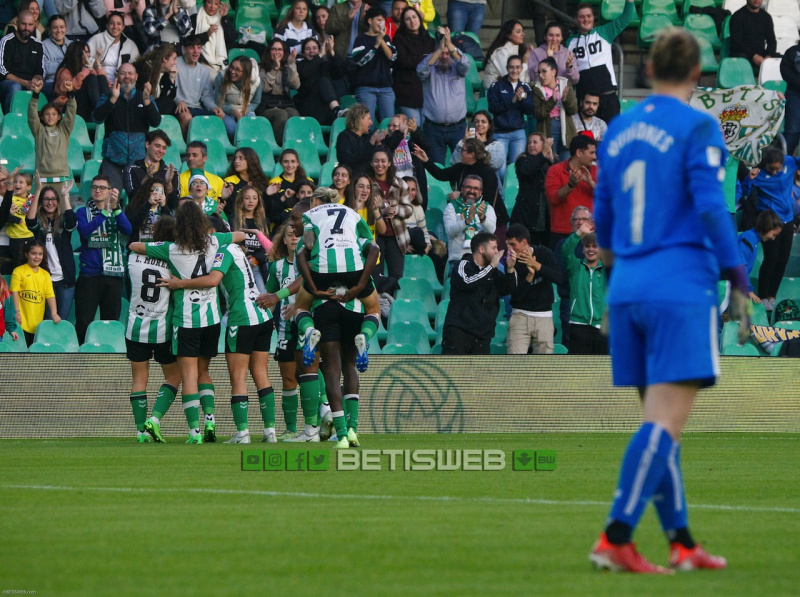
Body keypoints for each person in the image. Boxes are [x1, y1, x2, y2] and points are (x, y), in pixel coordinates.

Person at [589, 28, 745, 573]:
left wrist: (612, 290)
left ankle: (681, 542)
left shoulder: (621, 127)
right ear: (699, 74)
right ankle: (615, 535)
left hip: (628, 285)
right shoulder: (699, 125)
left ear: (647, 70)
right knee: (663, 425)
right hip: (680, 287)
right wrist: (740, 280)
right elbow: (710, 207)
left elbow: (603, 214)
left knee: (659, 429)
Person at [130, 201, 246, 444]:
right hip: (212, 319)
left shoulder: (172, 249)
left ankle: (194, 433)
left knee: (189, 376)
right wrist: (214, 234)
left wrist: (154, 244)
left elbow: (134, 245)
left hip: (185, 321)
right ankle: (210, 420)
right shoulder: (214, 242)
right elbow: (241, 235)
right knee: (204, 372)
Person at [159, 220, 276, 445]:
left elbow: (213, 280)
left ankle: (242, 433)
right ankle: (270, 431)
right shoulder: (238, 249)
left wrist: (181, 283)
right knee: (261, 374)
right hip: (262, 314)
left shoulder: (222, 251)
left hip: (241, 318)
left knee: (238, 377)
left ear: (212, 232)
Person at [294, 187, 381, 447]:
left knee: (331, 372)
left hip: (324, 294)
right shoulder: (354, 214)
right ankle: (353, 430)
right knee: (352, 362)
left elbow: (303, 250)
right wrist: (358, 286)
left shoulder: (312, 216)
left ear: (316, 201)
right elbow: (374, 248)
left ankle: (341, 434)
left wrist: (314, 287)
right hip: (354, 284)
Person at [125, 216, 181, 443]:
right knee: (175, 375)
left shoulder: (133, 257)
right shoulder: (174, 261)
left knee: (139, 378)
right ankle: (155, 418)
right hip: (162, 330)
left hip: (135, 327)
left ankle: (140, 431)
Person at [414, 139, 507, 247]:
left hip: (493, 220)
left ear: (471, 154)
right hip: (470, 218)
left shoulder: (487, 173)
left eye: (463, 150)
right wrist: (426, 160)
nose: (460, 152)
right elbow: (441, 174)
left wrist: (462, 194)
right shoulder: (462, 168)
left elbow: (487, 198)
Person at [75, 175, 132, 344]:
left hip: (113, 274)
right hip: (89, 275)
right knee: (84, 321)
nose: (98, 191)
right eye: (94, 187)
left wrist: (114, 209)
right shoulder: (82, 211)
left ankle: (108, 356)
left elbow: (127, 230)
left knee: (110, 321)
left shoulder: (117, 211)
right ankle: (80, 357)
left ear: (110, 191)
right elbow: (85, 233)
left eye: (102, 188)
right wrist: (103, 214)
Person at [740, 147, 800, 310]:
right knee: (771, 258)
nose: (774, 172)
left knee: (783, 259)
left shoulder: (789, 161)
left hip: (787, 220)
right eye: (771, 169)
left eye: (777, 169)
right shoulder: (758, 174)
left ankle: (771, 296)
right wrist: (749, 178)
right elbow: (745, 191)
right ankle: (762, 294)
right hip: (769, 221)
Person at [442, 231, 515, 354]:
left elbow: (508, 289)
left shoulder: (493, 271)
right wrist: (491, 267)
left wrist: (510, 269)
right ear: (481, 249)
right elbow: (468, 282)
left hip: (483, 334)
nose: (497, 252)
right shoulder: (463, 265)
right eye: (494, 248)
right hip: (459, 331)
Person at [92, 62, 160, 192]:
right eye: (123, 73)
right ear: (117, 75)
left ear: (136, 76)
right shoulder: (108, 95)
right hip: (112, 161)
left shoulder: (145, 96)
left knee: (138, 200)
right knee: (110, 199)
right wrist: (112, 99)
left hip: (138, 162)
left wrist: (146, 102)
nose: (127, 76)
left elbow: (155, 122)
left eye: (130, 73)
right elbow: (97, 118)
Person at [567, 0, 637, 123]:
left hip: (607, 95)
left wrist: (630, 2)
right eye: (581, 17)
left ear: (594, 18)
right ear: (576, 19)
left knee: (611, 136)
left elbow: (626, 18)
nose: (586, 20)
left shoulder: (604, 32)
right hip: (585, 99)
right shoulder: (570, 42)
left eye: (589, 16)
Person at [25, 178, 77, 321]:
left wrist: (65, 196)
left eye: (54, 199)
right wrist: (37, 191)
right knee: (48, 320)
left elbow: (72, 222)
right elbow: (30, 221)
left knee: (63, 320)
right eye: (46, 199)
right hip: (45, 279)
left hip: (64, 279)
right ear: (41, 202)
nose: (50, 202)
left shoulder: (63, 220)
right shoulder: (39, 222)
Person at [505, 223, 561, 354]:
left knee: (542, 369)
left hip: (544, 317)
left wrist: (535, 265)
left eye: (513, 244)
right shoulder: (511, 262)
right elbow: (515, 295)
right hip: (519, 316)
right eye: (508, 245)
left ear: (524, 242)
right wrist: (527, 275)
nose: (510, 249)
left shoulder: (543, 253)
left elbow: (559, 278)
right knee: (514, 366)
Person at [417, 28, 468, 166]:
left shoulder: (458, 68)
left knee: (462, 165)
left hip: (458, 127)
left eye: (448, 53)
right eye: (442, 53)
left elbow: (465, 63)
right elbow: (420, 71)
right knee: (435, 166)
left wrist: (450, 45)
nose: (445, 56)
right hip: (433, 129)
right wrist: (438, 50)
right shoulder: (429, 69)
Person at [367, 145, 413, 280]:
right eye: (376, 161)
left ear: (389, 163)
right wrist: (382, 211)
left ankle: (394, 300)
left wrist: (396, 210)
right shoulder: (367, 184)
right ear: (371, 163)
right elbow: (361, 209)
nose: (379, 164)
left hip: (396, 236)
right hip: (375, 236)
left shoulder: (400, 184)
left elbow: (409, 209)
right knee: (376, 275)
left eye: (383, 161)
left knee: (397, 275)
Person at [545, 133, 597, 249]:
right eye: (591, 153)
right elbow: (553, 198)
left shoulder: (597, 171)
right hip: (562, 233)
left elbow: (609, 197)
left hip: (591, 234)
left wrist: (591, 183)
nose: (595, 157)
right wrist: (570, 185)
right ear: (579, 153)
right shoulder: (555, 171)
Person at [561, 225, 607, 354]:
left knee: (599, 371)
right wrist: (579, 233)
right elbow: (566, 251)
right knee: (579, 371)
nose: (591, 249)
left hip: (601, 327)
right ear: (583, 249)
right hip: (579, 326)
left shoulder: (606, 271)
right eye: (587, 246)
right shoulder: (575, 267)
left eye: (594, 246)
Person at [350, 6, 397, 129]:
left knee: (389, 125)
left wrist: (381, 40)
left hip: (386, 87)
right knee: (366, 125)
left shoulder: (386, 38)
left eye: (383, 20)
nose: (381, 23)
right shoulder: (360, 39)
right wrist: (375, 45)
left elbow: (392, 57)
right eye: (378, 20)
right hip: (366, 87)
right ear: (370, 21)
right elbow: (359, 61)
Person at [28, 78, 76, 197]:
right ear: (42, 117)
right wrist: (35, 95)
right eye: (47, 114)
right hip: (42, 177)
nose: (50, 117)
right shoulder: (39, 131)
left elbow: (71, 113)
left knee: (61, 210)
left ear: (59, 117)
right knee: (41, 209)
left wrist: (70, 95)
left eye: (54, 114)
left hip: (61, 176)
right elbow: (32, 116)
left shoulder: (64, 130)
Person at [440, 174, 496, 269]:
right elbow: (450, 231)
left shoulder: (487, 208)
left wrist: (482, 217)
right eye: (468, 187)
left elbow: (491, 231)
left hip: (481, 261)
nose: (472, 191)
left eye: (476, 188)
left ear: (480, 192)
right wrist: (467, 221)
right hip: (458, 260)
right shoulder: (452, 206)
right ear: (462, 189)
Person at [11, 238, 60, 346]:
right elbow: (14, 292)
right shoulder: (18, 271)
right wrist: (17, 312)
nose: (37, 257)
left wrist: (54, 313)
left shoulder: (45, 274)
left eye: (40, 254)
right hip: (21, 322)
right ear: (26, 254)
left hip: (37, 324)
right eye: (34, 253)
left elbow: (50, 295)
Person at [487, 55, 535, 165]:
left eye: (518, 67)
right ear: (507, 68)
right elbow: (492, 107)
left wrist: (522, 100)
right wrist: (511, 100)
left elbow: (529, 110)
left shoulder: (525, 87)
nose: (514, 71)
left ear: (521, 69)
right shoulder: (497, 85)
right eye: (511, 67)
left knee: (516, 168)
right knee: (499, 168)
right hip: (500, 133)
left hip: (518, 133)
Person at [392, 6, 434, 127]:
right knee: (416, 126)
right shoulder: (399, 39)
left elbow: (434, 60)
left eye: (414, 17)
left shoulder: (429, 39)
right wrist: (426, 58)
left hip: (425, 92)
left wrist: (421, 58)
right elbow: (404, 61)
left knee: (425, 126)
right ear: (404, 23)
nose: (412, 21)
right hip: (406, 93)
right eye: (408, 19)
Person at [175, 34, 223, 136]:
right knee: (186, 117)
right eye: (192, 48)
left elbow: (207, 96)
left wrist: (214, 107)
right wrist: (178, 100)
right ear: (184, 49)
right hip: (179, 107)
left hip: (196, 107)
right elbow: (170, 90)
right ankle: (185, 148)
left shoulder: (203, 71)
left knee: (219, 117)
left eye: (198, 48)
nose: (196, 51)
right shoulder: (175, 64)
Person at [512, 132, 555, 246]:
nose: (531, 145)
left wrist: (551, 161)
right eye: (529, 142)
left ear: (543, 144)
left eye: (535, 142)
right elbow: (527, 171)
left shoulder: (549, 161)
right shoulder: (522, 160)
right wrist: (543, 155)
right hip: (526, 212)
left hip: (545, 211)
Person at [531, 56, 577, 159]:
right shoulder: (537, 89)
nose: (541, 76)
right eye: (539, 72)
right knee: (550, 160)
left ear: (553, 71)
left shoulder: (565, 84)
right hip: (548, 126)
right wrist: (552, 101)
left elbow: (573, 110)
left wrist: (566, 100)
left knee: (566, 160)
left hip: (565, 127)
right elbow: (538, 114)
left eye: (544, 72)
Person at [336, 103, 401, 176]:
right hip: (351, 179)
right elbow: (347, 160)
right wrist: (370, 145)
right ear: (360, 119)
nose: (371, 122)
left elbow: (390, 147)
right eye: (369, 119)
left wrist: (400, 132)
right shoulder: (344, 137)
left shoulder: (368, 137)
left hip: (368, 181)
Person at [257, 38, 300, 145]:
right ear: (269, 51)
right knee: (281, 114)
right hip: (267, 105)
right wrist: (274, 69)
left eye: (280, 50)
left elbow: (295, 85)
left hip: (284, 103)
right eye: (274, 49)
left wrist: (291, 64)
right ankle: (278, 145)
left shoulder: (286, 67)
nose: (277, 52)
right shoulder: (261, 68)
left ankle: (294, 145)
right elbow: (264, 88)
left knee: (294, 113)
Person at [0, 10, 44, 113]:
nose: (27, 28)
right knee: (15, 87)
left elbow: (41, 70)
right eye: (23, 24)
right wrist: (25, 83)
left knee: (52, 88)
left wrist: (36, 79)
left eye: (30, 24)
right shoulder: (7, 41)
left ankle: (47, 124)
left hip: (30, 83)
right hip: (8, 83)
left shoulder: (38, 44)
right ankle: (11, 121)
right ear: (17, 23)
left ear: (35, 25)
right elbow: (2, 71)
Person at [124, 129, 180, 209]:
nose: (161, 151)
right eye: (157, 146)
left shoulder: (172, 172)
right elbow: (133, 199)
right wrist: (147, 177)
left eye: (164, 148)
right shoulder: (131, 169)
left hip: (164, 219)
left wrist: (168, 183)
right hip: (140, 218)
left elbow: (174, 205)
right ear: (147, 144)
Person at [294, 36, 344, 126]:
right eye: (308, 49)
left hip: (326, 108)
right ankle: (336, 109)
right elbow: (305, 73)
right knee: (323, 81)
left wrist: (332, 51)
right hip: (309, 106)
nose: (312, 51)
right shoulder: (300, 65)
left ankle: (336, 111)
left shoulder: (324, 65)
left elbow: (340, 72)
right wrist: (320, 55)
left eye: (314, 48)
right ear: (303, 53)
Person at [53, 41, 108, 120]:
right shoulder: (64, 71)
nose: (88, 55)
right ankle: (100, 109)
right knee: (91, 78)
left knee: (97, 78)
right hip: (68, 108)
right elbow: (71, 87)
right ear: (77, 54)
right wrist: (86, 67)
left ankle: (104, 109)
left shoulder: (87, 70)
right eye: (85, 52)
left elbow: (106, 85)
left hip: (86, 108)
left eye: (88, 52)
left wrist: (98, 66)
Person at [230, 184, 270, 293]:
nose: (251, 201)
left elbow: (267, 248)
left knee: (263, 294)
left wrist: (255, 259)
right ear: (241, 200)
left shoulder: (263, 221)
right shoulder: (233, 219)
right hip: (239, 263)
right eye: (247, 198)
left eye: (254, 198)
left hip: (258, 265)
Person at [738, 209, 783, 303]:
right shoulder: (748, 239)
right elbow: (740, 266)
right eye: (774, 234)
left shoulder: (753, 239)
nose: (773, 238)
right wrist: (749, 290)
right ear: (767, 227)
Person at [215, 56, 261, 143]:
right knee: (232, 129)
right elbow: (218, 102)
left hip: (246, 108)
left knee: (251, 128)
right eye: (231, 67)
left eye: (237, 70)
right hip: (226, 109)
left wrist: (245, 111)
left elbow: (256, 102)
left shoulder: (256, 81)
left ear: (245, 72)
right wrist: (233, 111)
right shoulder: (221, 77)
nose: (232, 71)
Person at [451, 110, 506, 181]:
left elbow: (496, 164)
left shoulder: (496, 145)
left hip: (489, 182)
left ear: (489, 125)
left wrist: (482, 146)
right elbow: (454, 162)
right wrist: (464, 142)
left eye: (483, 122)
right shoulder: (464, 144)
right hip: (468, 183)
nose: (479, 124)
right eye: (476, 122)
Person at [86, 12, 140, 84]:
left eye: (119, 24)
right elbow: (84, 57)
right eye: (112, 23)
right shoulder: (96, 39)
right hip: (98, 80)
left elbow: (136, 64)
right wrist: (94, 63)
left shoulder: (130, 45)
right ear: (107, 26)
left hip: (122, 83)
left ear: (123, 27)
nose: (115, 27)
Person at [729, 0, 776, 74]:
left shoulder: (766, 17)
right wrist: (753, 56)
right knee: (742, 59)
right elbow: (736, 42)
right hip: (743, 54)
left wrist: (768, 57)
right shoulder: (737, 16)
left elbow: (772, 41)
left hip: (761, 55)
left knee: (785, 60)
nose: (757, 0)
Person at [483, 20, 530, 91]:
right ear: (508, 35)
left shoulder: (517, 50)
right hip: (496, 93)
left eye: (522, 31)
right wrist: (525, 61)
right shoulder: (502, 52)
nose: (523, 34)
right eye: (518, 32)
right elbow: (511, 76)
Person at [222, 147, 270, 214]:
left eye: (241, 158)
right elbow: (229, 209)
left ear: (250, 160)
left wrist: (269, 195)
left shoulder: (261, 182)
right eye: (235, 158)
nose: (236, 161)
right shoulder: (229, 182)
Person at [136, 43, 178, 117]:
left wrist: (172, 79)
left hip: (153, 108)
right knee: (168, 103)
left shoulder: (165, 74)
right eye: (174, 59)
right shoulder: (144, 68)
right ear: (165, 58)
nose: (175, 63)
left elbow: (170, 97)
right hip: (141, 107)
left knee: (169, 103)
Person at [125, 177, 172, 242]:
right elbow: (132, 226)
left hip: (157, 248)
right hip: (138, 247)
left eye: (160, 191)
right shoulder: (135, 206)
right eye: (154, 190)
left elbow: (170, 230)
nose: (156, 193)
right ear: (147, 191)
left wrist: (164, 206)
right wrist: (148, 204)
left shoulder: (165, 209)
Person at [4, 170, 34, 271]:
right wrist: (12, 216)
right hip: (15, 239)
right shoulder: (10, 199)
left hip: (29, 237)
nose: (17, 184)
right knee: (17, 266)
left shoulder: (32, 200)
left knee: (29, 266)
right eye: (15, 182)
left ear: (29, 187)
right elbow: (3, 216)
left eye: (21, 182)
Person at [192, 0, 230, 76]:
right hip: (202, 60)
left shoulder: (221, 18)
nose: (212, 7)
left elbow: (232, 39)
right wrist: (207, 34)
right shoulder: (195, 18)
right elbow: (191, 41)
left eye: (216, 4)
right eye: (209, 2)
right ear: (204, 2)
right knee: (214, 79)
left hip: (220, 62)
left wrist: (224, 18)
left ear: (219, 5)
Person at [346, 173, 388, 238]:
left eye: (368, 187)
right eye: (361, 186)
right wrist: (355, 210)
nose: (365, 190)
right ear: (354, 188)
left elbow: (382, 231)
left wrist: (376, 211)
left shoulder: (373, 207)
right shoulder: (347, 208)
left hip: (371, 247)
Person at [42, 15, 71, 98]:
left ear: (66, 28)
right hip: (52, 82)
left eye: (62, 27)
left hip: (71, 81)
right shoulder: (43, 45)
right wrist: (65, 63)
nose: (59, 31)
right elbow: (45, 69)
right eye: (55, 27)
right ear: (49, 29)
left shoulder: (72, 44)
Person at [781, 43, 800, 156]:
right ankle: (784, 164)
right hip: (795, 95)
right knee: (792, 130)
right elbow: (785, 72)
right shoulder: (792, 51)